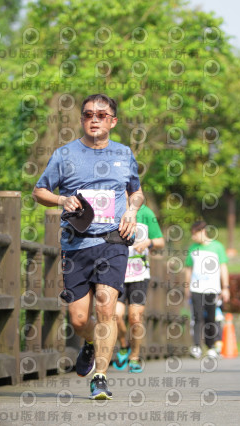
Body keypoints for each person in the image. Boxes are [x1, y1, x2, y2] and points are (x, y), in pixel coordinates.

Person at [32, 94, 143, 399]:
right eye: (87, 114)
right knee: (80, 319)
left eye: (101, 115)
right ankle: (91, 343)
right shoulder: (64, 155)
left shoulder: (124, 153)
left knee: (106, 307)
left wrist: (132, 210)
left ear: (113, 121)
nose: (94, 119)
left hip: (113, 242)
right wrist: (60, 199)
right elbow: (38, 190)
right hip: (76, 243)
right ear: (81, 119)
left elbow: (136, 192)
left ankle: (101, 376)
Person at [112, 204, 165, 373]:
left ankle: (134, 356)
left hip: (139, 274)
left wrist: (149, 242)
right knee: (115, 315)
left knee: (135, 318)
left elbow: (160, 241)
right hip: (116, 273)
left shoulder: (146, 212)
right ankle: (123, 345)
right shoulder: (114, 207)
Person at [184, 220, 230, 359]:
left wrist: (225, 287)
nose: (193, 237)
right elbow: (188, 269)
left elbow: (223, 267)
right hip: (196, 288)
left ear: (203, 231)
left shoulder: (217, 247)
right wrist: (186, 287)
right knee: (197, 317)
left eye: (195, 234)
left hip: (212, 288)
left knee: (211, 318)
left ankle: (211, 346)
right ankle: (197, 346)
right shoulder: (193, 248)